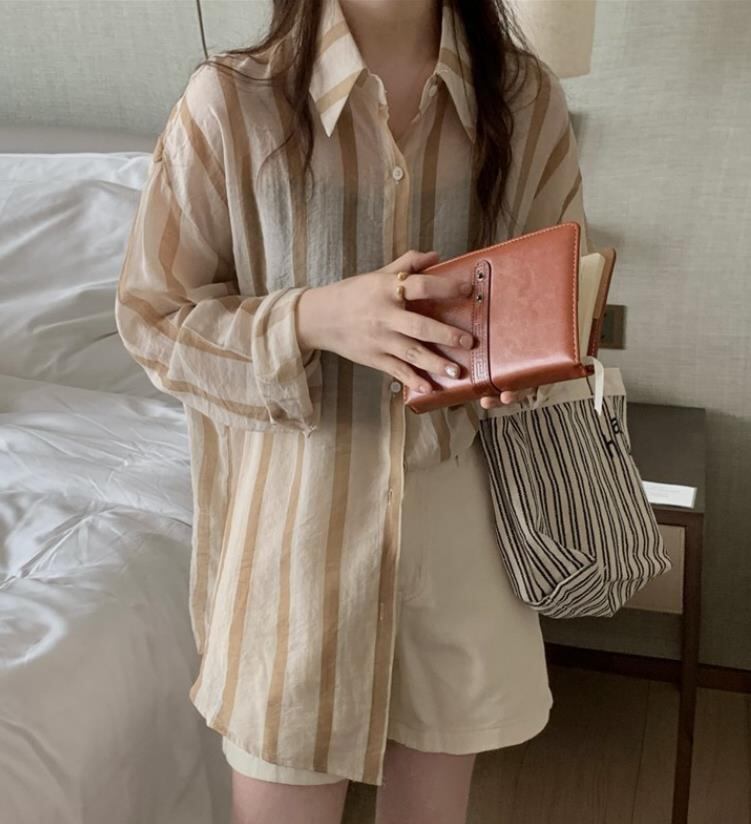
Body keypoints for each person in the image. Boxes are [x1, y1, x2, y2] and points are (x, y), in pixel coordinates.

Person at [115, 0, 591, 821]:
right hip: (293, 539)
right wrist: (311, 318)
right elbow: (153, 321)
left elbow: (556, 291)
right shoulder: (231, 101)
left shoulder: (520, 97)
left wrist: (522, 362)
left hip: (459, 537)